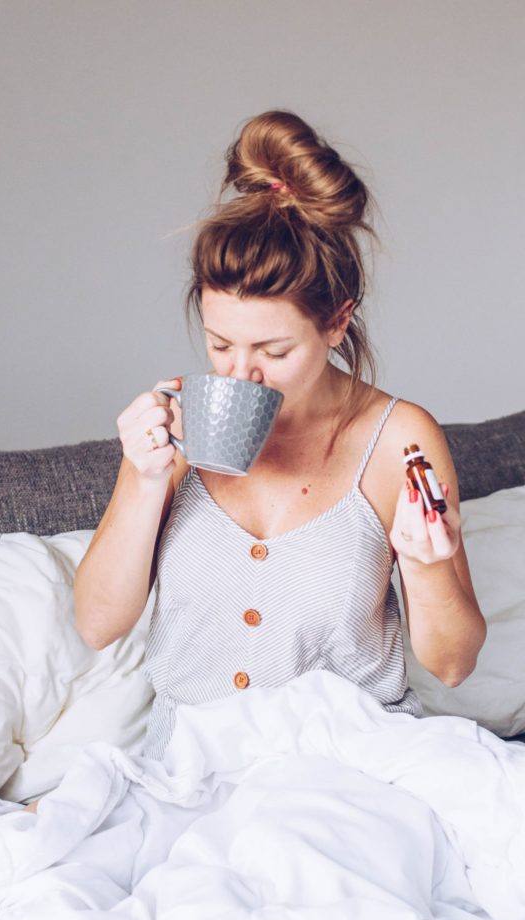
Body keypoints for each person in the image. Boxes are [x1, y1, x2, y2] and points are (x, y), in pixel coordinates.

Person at [73, 109, 486, 761]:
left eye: (272, 348)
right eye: (219, 344)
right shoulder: (179, 424)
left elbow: (454, 664)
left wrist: (428, 563)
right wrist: (143, 477)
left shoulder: (397, 438)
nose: (241, 372)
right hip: (193, 771)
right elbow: (97, 625)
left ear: (336, 322)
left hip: (347, 765)